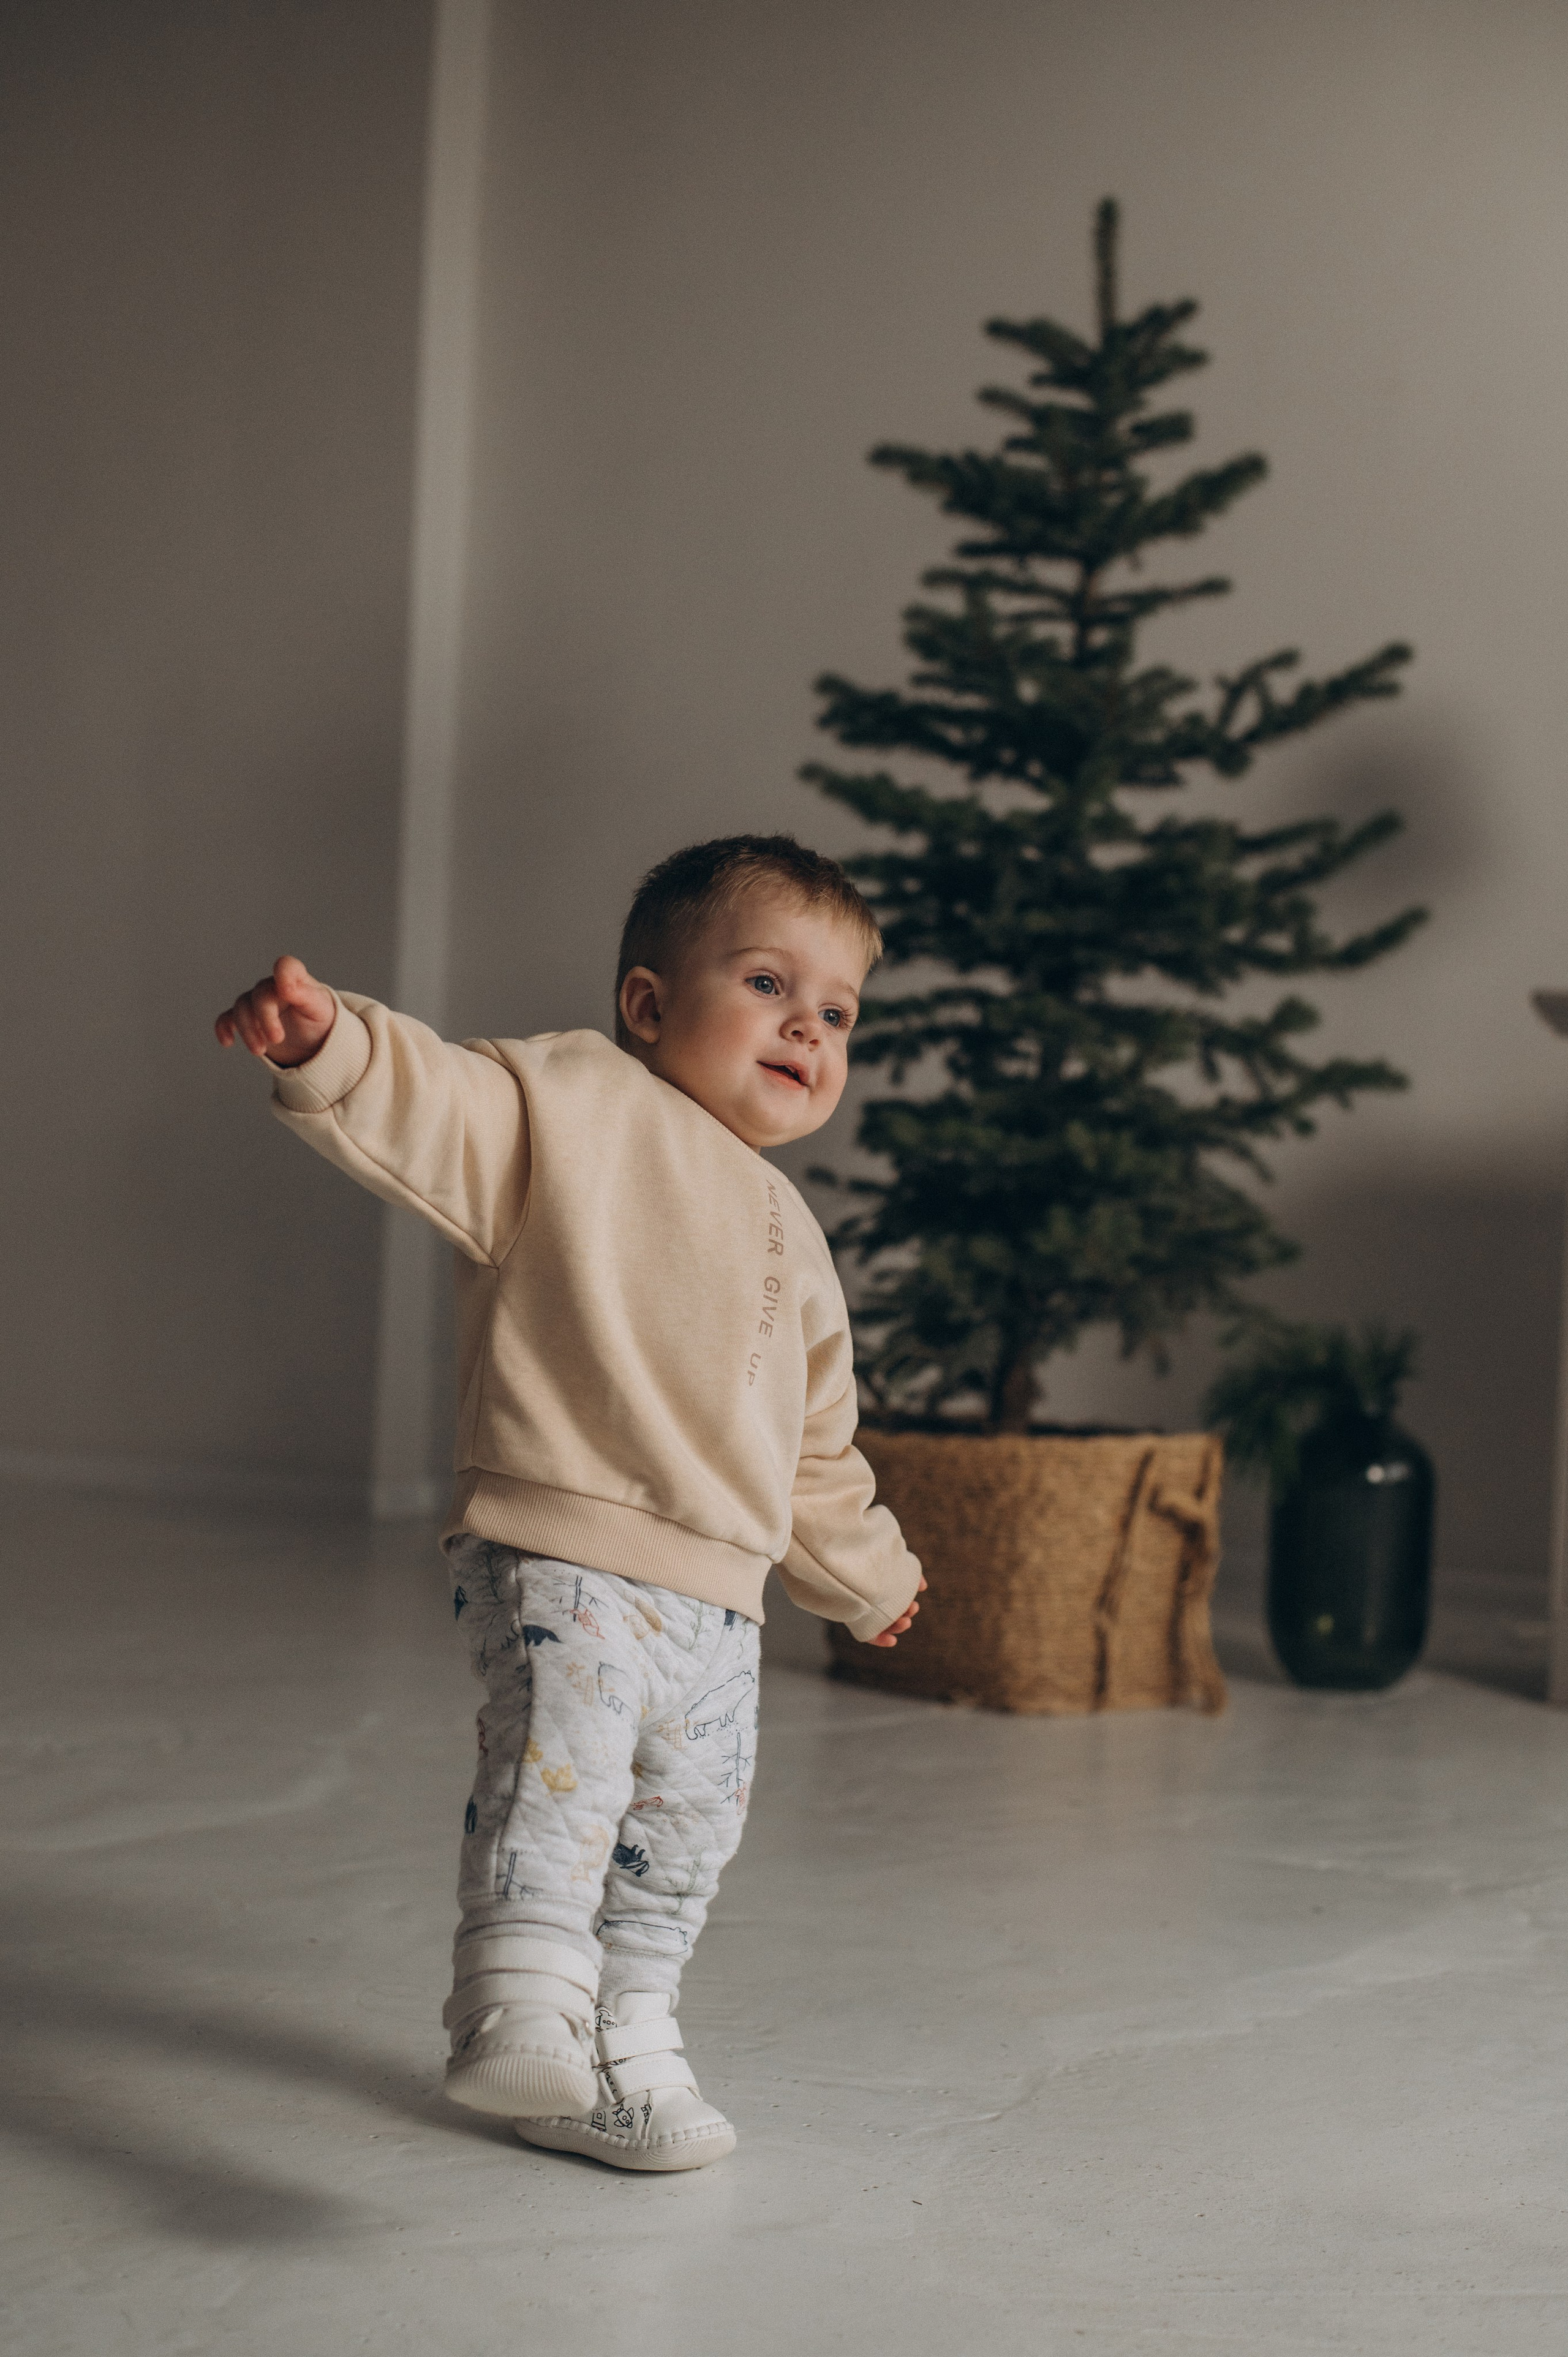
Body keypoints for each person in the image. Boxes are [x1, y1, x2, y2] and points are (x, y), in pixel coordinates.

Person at [215, 833, 923, 2174]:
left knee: (690, 1820)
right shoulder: (578, 1105)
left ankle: (627, 2039)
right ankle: (514, 2003)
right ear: (651, 1004)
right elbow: (444, 1104)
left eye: (836, 1013)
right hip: (566, 1542)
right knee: (565, 1765)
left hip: (719, 1596)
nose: (807, 1029)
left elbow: (815, 1448)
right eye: (769, 984)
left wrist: (867, 1572)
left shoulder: (798, 1235)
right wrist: (335, 1045)